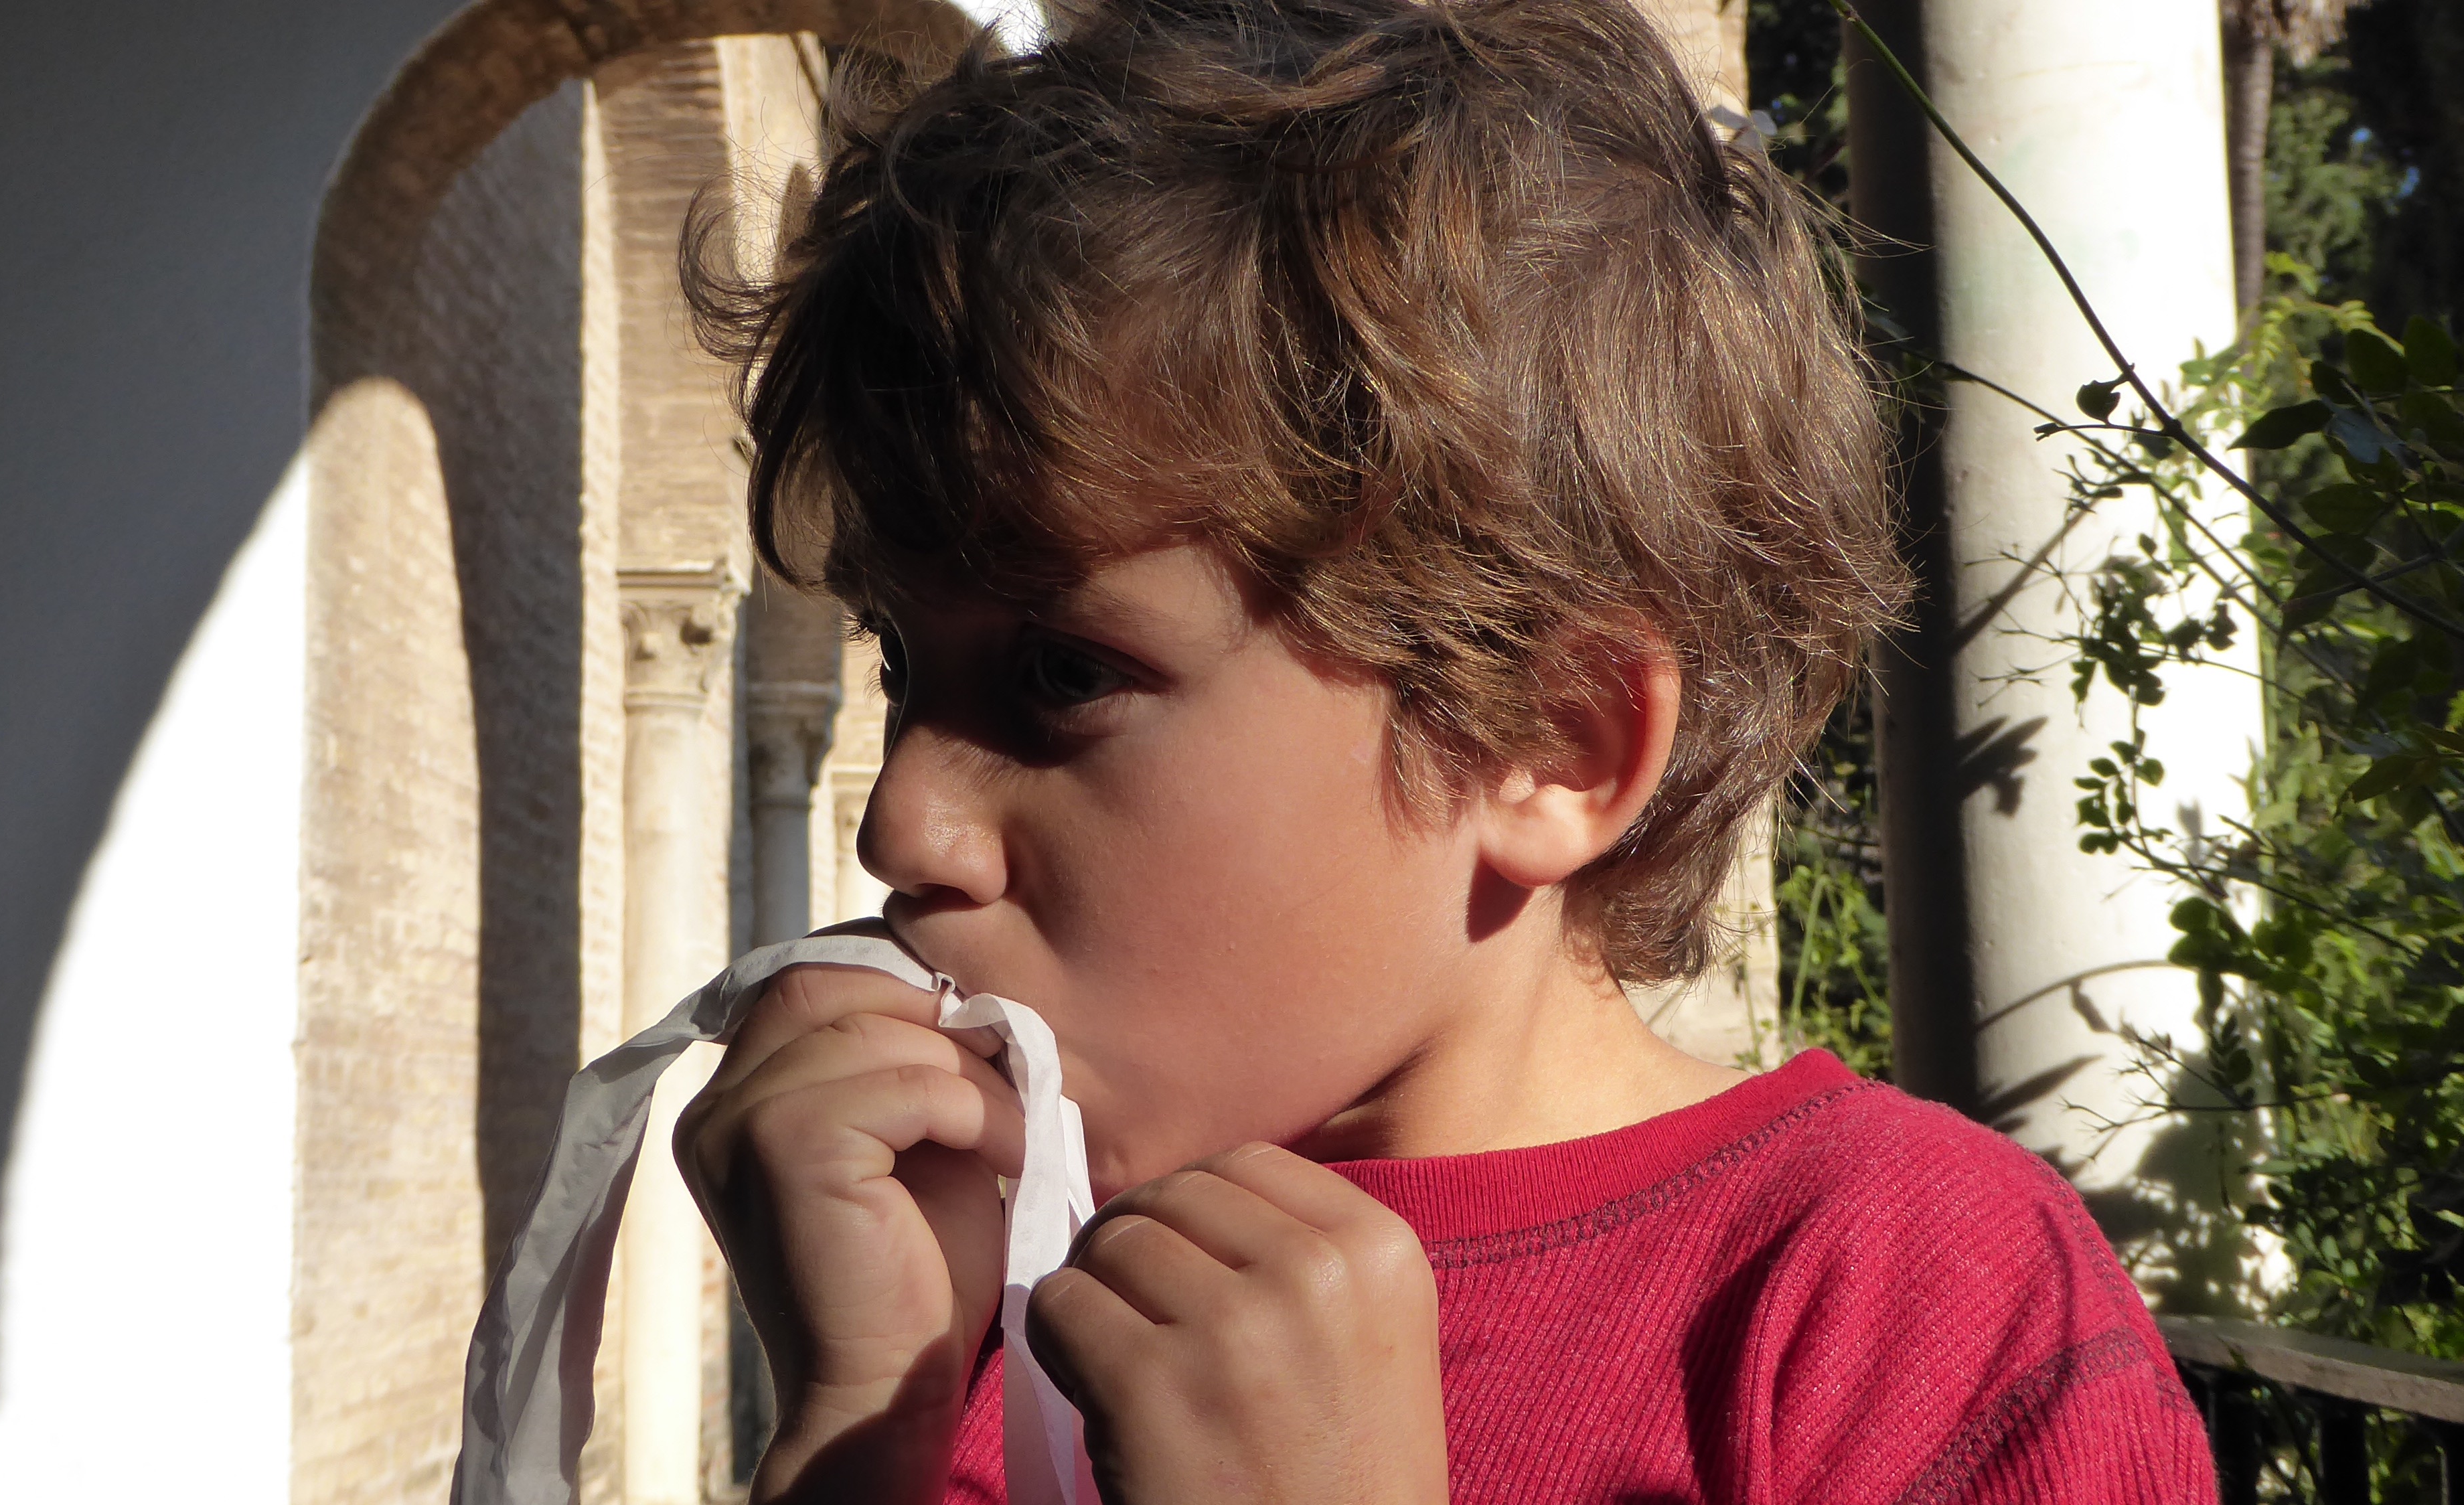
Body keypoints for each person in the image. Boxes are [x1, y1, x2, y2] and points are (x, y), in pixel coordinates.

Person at [671, 0, 2218, 1499]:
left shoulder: (1895, 1300)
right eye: (899, 663)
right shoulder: (990, 1283)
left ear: (1547, 741)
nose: (902, 819)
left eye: (1062, 672)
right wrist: (859, 1422)